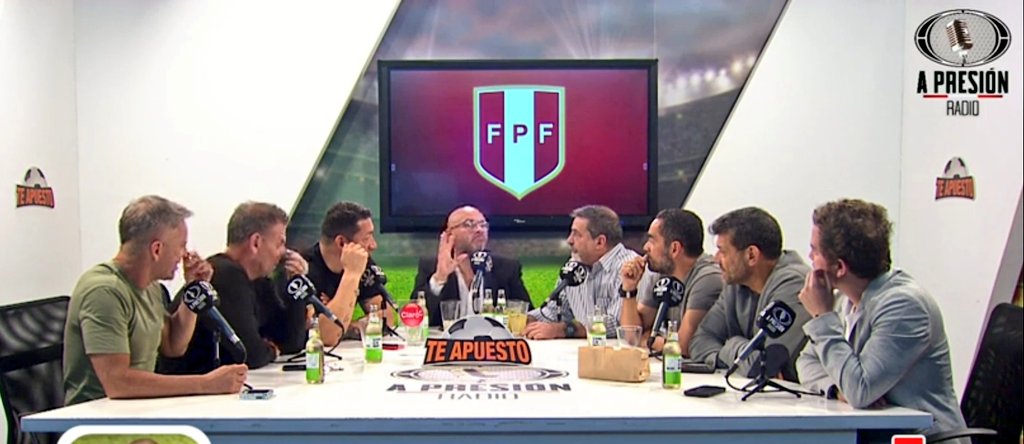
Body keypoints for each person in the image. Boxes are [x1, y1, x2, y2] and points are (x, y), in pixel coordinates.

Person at [797, 199, 967, 441]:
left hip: (923, 438)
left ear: (840, 267)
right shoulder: (845, 300)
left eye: (815, 250)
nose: (809, 257)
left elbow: (860, 390)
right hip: (876, 434)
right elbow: (806, 362)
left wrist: (822, 317)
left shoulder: (904, 306)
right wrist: (836, 388)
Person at [63, 195, 247, 405]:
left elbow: (173, 346)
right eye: (181, 246)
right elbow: (118, 383)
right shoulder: (104, 291)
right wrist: (206, 384)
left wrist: (193, 289)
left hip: (137, 408)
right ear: (156, 249)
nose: (184, 256)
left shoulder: (151, 288)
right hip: (96, 416)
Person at [159, 202, 308, 374]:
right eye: (279, 244)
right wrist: (271, 350)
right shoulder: (225, 276)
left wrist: (297, 285)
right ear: (255, 243)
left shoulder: (258, 281)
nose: (284, 253)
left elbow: (291, 341)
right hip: (186, 384)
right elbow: (250, 354)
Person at [688, 207, 811, 381]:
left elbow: (765, 365)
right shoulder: (736, 283)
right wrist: (736, 356)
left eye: (723, 251)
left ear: (751, 255)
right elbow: (699, 341)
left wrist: (731, 344)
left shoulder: (794, 283)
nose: (716, 259)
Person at [524, 205, 638, 340]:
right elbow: (555, 311)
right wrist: (525, 319)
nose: (569, 240)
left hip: (617, 351)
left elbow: (617, 324)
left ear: (600, 242)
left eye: (576, 234)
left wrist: (565, 330)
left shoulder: (629, 267)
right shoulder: (574, 266)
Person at [619, 209, 722, 355]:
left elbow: (683, 346)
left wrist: (649, 340)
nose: (645, 247)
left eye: (652, 241)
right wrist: (629, 288)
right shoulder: (662, 273)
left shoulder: (708, 278)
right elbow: (632, 335)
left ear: (674, 249)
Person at [412, 205, 532, 326]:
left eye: (483, 225)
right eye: (469, 224)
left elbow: (528, 314)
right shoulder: (431, 266)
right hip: (447, 337)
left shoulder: (506, 267)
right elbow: (414, 318)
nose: (479, 230)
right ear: (449, 234)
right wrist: (439, 278)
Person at [302, 201, 390, 346]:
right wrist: (351, 275)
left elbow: (387, 317)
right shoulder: (304, 272)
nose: (373, 245)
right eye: (366, 239)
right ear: (342, 243)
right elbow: (326, 336)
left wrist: (348, 327)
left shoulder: (363, 262)